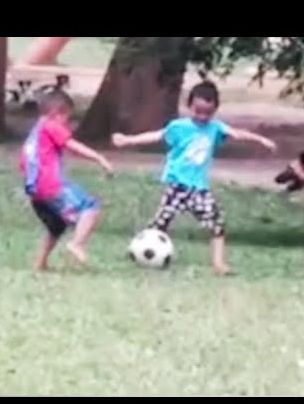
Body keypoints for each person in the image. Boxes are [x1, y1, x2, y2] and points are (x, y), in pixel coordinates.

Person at [112, 80, 277, 275]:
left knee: (217, 224)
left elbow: (237, 134)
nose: (202, 116)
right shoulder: (178, 127)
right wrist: (127, 140)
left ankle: (219, 264)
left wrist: (260, 139)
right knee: (159, 225)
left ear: (215, 109)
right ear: (189, 106)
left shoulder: (216, 128)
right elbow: (156, 136)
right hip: (177, 185)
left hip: (199, 188)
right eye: (198, 111)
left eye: (208, 112)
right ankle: (139, 251)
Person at [19, 90, 114, 271]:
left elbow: (24, 162)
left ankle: (41, 264)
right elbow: (73, 146)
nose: (67, 124)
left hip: (34, 190)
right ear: (57, 113)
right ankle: (76, 244)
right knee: (90, 207)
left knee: (57, 226)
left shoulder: (35, 133)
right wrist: (100, 158)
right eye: (67, 119)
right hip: (51, 185)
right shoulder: (51, 126)